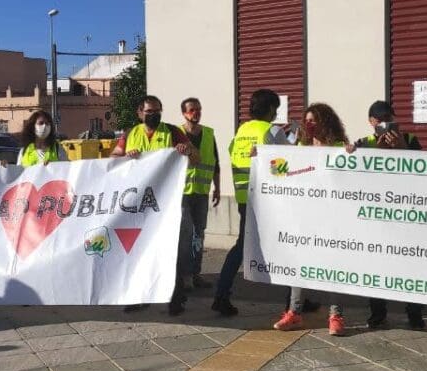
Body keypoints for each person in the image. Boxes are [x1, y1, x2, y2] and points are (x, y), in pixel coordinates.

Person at [110, 95, 198, 315]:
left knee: (173, 249)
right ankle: (138, 296)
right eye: (149, 111)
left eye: (157, 111)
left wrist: (186, 151)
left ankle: (176, 298)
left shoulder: (172, 132)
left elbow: (196, 157)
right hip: (138, 205)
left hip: (167, 203)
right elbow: (112, 159)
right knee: (138, 250)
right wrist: (126, 157)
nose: (153, 115)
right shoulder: (130, 134)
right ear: (140, 113)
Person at [344, 100, 426, 329]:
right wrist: (352, 152)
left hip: (407, 211)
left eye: (389, 119)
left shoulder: (410, 140)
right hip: (376, 215)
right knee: (376, 264)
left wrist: (401, 148)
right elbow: (351, 173)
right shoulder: (364, 144)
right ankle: (378, 313)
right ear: (371, 122)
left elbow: (425, 170)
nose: (384, 125)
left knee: (412, 265)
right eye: (379, 121)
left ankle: (415, 313)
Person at [273, 103, 352, 335]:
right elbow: (280, 172)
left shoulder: (339, 147)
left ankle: (336, 315)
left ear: (326, 122)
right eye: (306, 120)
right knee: (298, 264)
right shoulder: (299, 146)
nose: (309, 124)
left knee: (334, 265)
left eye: (314, 120)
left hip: (332, 217)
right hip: (304, 216)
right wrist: (261, 158)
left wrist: (352, 154)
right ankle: (294, 312)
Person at [212, 89, 291, 316]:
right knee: (286, 244)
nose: (276, 113)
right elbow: (284, 165)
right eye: (275, 108)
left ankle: (221, 294)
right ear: (269, 109)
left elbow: (235, 155)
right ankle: (295, 301)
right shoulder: (271, 131)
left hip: (243, 197)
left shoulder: (241, 131)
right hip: (267, 199)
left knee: (242, 245)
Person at [179, 98, 220, 290]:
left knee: (199, 235)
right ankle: (185, 276)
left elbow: (216, 163)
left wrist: (217, 188)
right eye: (192, 110)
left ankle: (196, 274)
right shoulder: (177, 134)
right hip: (182, 194)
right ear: (184, 113)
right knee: (186, 234)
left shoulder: (209, 134)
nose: (196, 113)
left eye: (198, 110)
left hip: (201, 193)